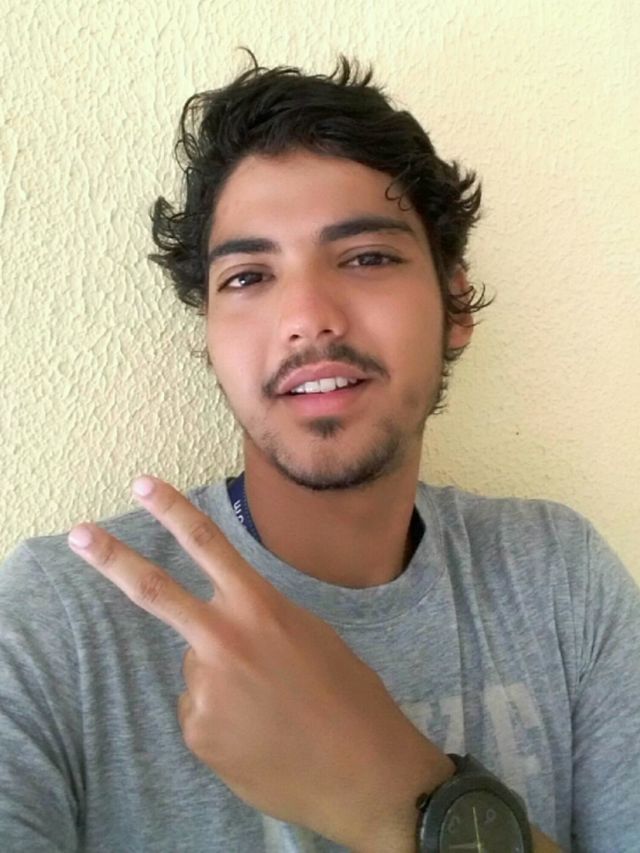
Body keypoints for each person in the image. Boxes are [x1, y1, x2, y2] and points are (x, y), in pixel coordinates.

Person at [1, 50, 638, 853]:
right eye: (248, 276)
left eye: (367, 257)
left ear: (456, 305)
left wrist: (392, 795)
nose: (307, 316)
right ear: (209, 335)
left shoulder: (559, 580)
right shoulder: (59, 623)